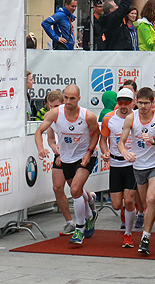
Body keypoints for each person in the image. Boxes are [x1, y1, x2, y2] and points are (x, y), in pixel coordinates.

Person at [35, 84, 100, 245]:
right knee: (75, 190)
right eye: (66, 98)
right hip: (66, 158)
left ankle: (79, 228)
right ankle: (90, 213)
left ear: (79, 98)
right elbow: (39, 132)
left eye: (72, 98)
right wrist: (41, 148)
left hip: (85, 157)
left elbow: (96, 133)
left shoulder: (88, 116)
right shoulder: (55, 114)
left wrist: (89, 152)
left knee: (75, 189)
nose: (68, 101)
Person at [117, 87, 155, 255]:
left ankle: (145, 239)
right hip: (138, 165)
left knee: (150, 198)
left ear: (152, 102)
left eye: (146, 103)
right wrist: (125, 152)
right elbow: (121, 142)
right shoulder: (131, 118)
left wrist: (154, 141)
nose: (142, 107)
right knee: (145, 202)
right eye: (139, 103)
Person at [100, 88, 138, 247]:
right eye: (120, 102)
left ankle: (128, 234)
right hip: (115, 163)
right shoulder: (109, 118)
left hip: (132, 164)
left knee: (129, 200)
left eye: (127, 102)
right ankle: (129, 211)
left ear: (133, 103)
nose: (123, 106)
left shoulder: (138, 118)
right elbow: (103, 139)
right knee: (116, 204)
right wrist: (105, 151)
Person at [42, 90, 77, 235]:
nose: (53, 109)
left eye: (56, 106)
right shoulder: (49, 116)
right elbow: (50, 138)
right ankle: (69, 222)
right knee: (57, 187)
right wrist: (54, 148)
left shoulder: (72, 114)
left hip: (74, 154)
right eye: (50, 106)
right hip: (60, 155)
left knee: (75, 188)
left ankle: (89, 201)